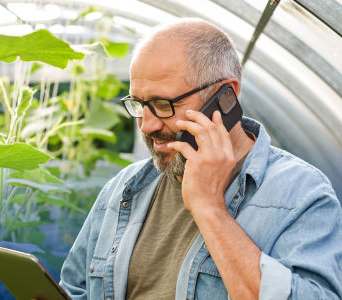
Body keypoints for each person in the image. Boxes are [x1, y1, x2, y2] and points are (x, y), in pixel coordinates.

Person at [59, 18, 342, 300]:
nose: (147, 125)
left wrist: (210, 208)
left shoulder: (302, 193)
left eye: (162, 104)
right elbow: (75, 289)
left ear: (225, 96)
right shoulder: (123, 187)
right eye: (139, 104)